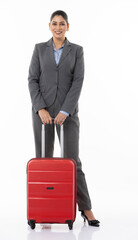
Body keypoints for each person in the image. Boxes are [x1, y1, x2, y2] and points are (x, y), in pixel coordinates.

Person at [28, 10, 100, 227]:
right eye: (54, 23)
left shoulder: (77, 51)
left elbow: (78, 81)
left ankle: (86, 209)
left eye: (62, 24)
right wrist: (40, 107)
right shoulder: (39, 49)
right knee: (43, 160)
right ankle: (44, 210)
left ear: (68, 26)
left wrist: (65, 110)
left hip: (67, 114)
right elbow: (32, 79)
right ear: (49, 26)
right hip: (43, 113)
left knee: (72, 162)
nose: (58, 27)